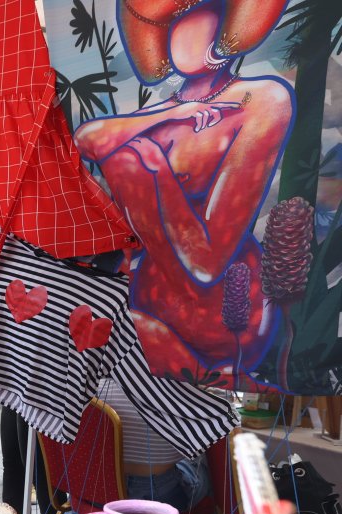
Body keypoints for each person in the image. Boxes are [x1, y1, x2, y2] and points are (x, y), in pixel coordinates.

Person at [73, 0, 291, 387]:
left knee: (132, 157)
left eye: (197, 17)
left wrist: (155, 167)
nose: (185, 32)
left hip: (220, 308)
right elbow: (86, 139)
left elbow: (208, 261)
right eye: (176, 21)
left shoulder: (261, 100)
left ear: (225, 26)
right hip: (148, 297)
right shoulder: (161, 114)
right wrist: (172, 115)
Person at [97, 379, 211, 513]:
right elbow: (195, 443)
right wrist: (200, 394)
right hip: (162, 497)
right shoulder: (180, 388)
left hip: (104, 491)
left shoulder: (97, 385)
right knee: (203, 464)